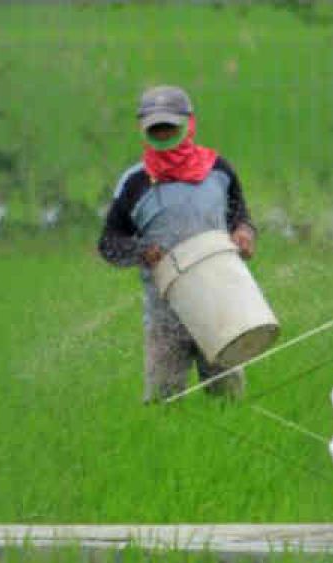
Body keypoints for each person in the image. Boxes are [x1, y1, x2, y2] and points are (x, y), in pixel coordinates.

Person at [98, 85, 258, 403]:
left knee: (228, 399)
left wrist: (244, 232)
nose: (163, 132)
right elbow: (109, 243)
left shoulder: (219, 171)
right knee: (163, 402)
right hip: (165, 311)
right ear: (143, 130)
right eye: (155, 128)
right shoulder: (134, 183)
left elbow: (240, 216)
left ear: (189, 124)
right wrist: (140, 250)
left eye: (170, 125)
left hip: (221, 304)